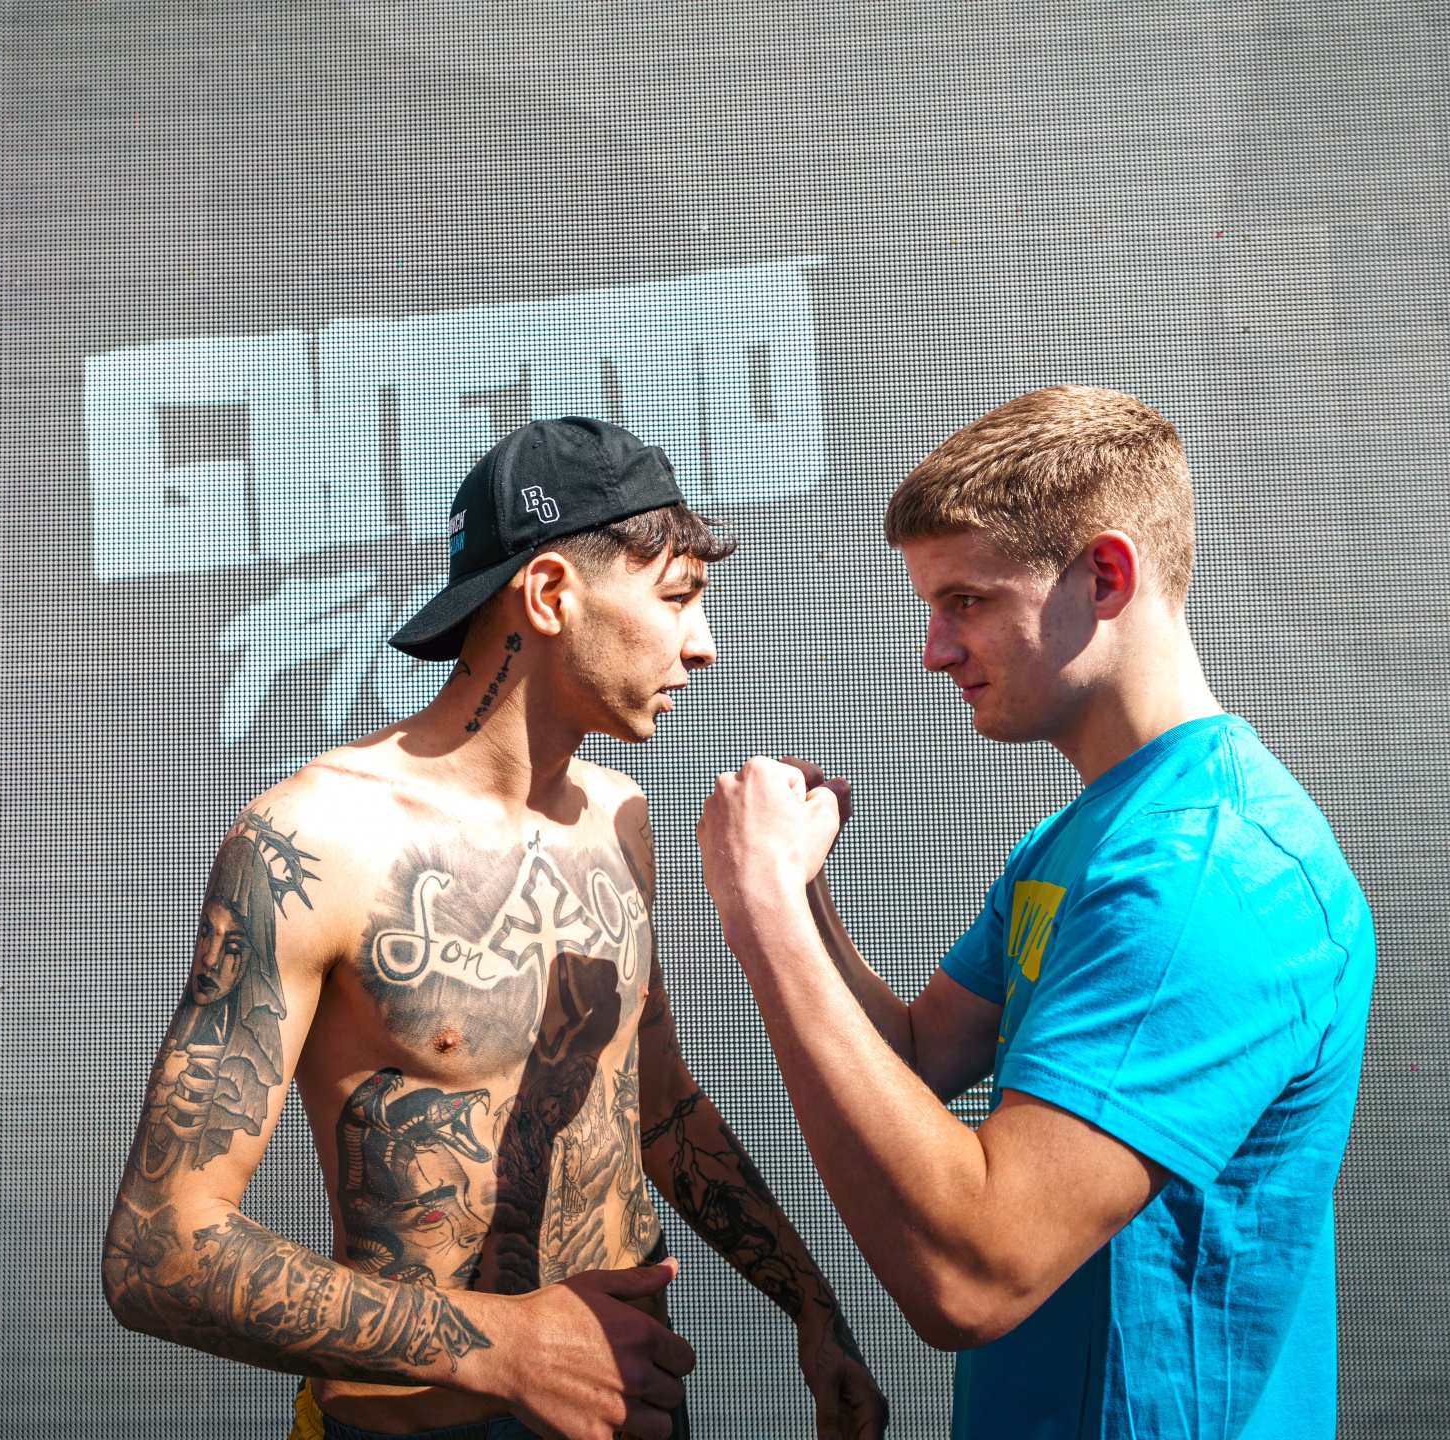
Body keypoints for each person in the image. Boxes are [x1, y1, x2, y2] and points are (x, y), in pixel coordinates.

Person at [104, 417, 888, 1440]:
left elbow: (657, 1109)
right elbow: (158, 1252)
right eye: (677, 597)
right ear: (551, 593)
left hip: (633, 1408)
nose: (702, 644)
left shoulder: (619, 816)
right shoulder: (314, 841)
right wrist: (510, 1348)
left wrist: (812, 1309)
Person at [696, 386, 1376, 1438]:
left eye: (966, 601)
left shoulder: (1207, 877)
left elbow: (975, 1276)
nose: (934, 649)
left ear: (1105, 577)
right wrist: (800, 893)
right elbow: (914, 1061)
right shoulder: (1089, 838)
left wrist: (765, 916)